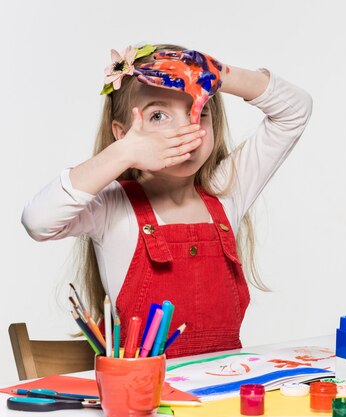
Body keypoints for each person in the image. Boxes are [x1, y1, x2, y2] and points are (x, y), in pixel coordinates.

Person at [22, 43, 312, 358]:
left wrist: (217, 75)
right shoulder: (112, 205)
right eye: (159, 115)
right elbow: (38, 221)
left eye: (199, 111)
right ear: (122, 134)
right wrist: (123, 154)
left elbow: (296, 109)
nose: (186, 128)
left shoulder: (228, 190)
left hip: (221, 391)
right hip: (143, 398)